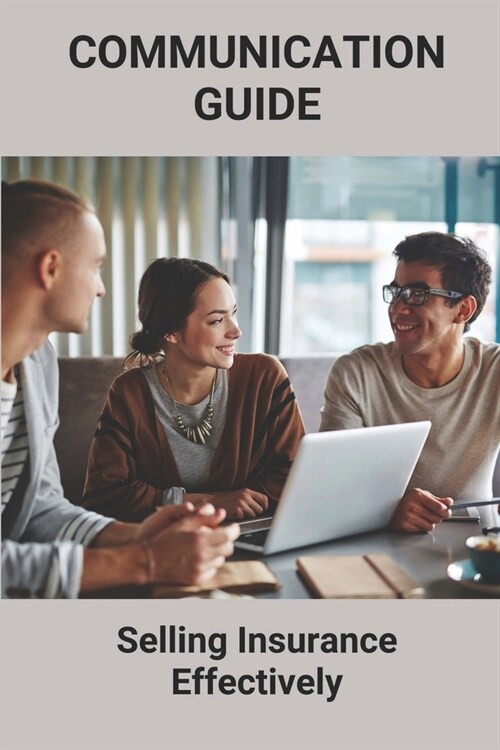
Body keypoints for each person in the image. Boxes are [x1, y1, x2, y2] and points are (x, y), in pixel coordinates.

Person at [1, 179, 239, 599]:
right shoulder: (129, 393)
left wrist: (134, 536)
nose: (101, 287)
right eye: (95, 266)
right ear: (50, 267)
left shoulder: (37, 364)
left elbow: (38, 507)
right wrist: (144, 561)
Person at [81, 257, 305, 522]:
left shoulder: (265, 378)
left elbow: (298, 478)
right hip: (166, 545)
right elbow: (105, 496)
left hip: (251, 536)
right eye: (216, 321)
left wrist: (169, 502)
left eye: (232, 313)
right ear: (171, 333)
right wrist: (208, 503)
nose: (236, 331)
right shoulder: (130, 393)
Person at [320, 231, 500, 533]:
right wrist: (388, 507)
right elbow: (330, 483)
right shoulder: (356, 373)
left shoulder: (494, 371)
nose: (398, 308)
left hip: (478, 547)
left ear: (463, 309)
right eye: (396, 291)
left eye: (418, 295)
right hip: (376, 539)